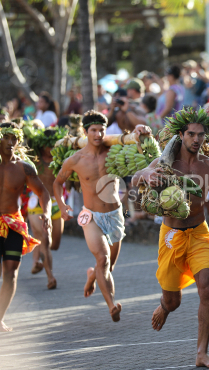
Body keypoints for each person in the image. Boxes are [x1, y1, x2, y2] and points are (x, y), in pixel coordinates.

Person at [131, 107, 209, 368]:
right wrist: (146, 175)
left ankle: (201, 353)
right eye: (191, 134)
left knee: (207, 286)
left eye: (201, 134)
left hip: (199, 232)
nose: (196, 139)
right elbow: (134, 179)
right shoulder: (165, 163)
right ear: (181, 134)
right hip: (171, 236)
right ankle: (164, 306)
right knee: (173, 301)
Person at [54, 110, 151, 322]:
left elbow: (139, 148)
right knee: (103, 258)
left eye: (101, 130)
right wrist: (62, 206)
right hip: (91, 216)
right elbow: (57, 182)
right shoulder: (75, 159)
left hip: (115, 214)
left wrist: (138, 132)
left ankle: (92, 275)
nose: (98, 134)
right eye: (93, 130)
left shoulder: (114, 150)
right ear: (85, 132)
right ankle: (111, 305)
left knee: (108, 266)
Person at [0, 122, 51, 332]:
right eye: (5, 137)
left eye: (14, 138)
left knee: (11, 273)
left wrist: (46, 212)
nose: (10, 142)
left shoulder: (24, 167)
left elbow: (43, 192)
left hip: (13, 224)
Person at [27, 129, 66, 289]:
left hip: (56, 203)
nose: (50, 149)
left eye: (53, 145)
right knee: (45, 238)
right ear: (41, 146)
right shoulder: (34, 160)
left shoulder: (61, 159)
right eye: (47, 145)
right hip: (37, 205)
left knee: (54, 244)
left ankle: (38, 256)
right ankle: (50, 277)